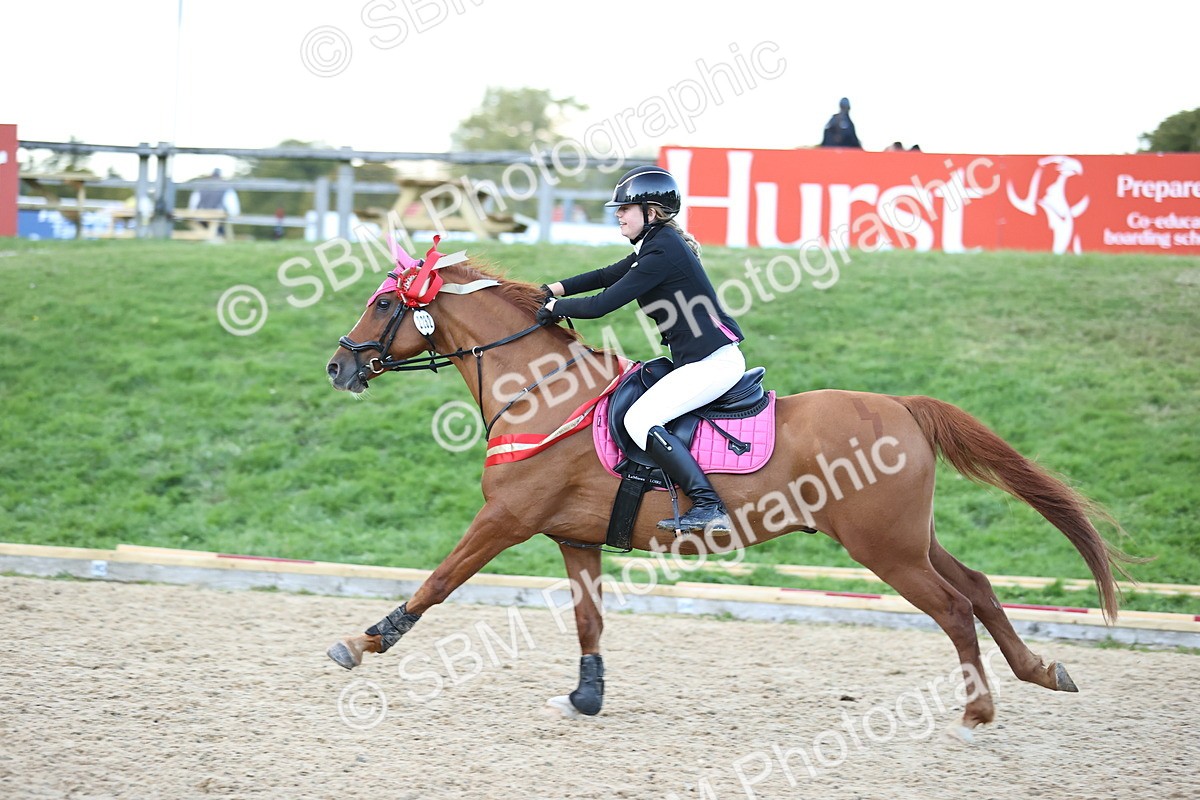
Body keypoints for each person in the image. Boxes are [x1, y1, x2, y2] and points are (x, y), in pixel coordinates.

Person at [538, 166, 745, 534]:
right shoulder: (656, 244)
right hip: (701, 360)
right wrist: (549, 290)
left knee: (639, 420)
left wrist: (556, 309)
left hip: (713, 364)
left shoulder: (662, 250)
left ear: (651, 211)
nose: (617, 214)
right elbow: (604, 275)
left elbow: (602, 303)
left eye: (625, 208)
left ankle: (710, 505)